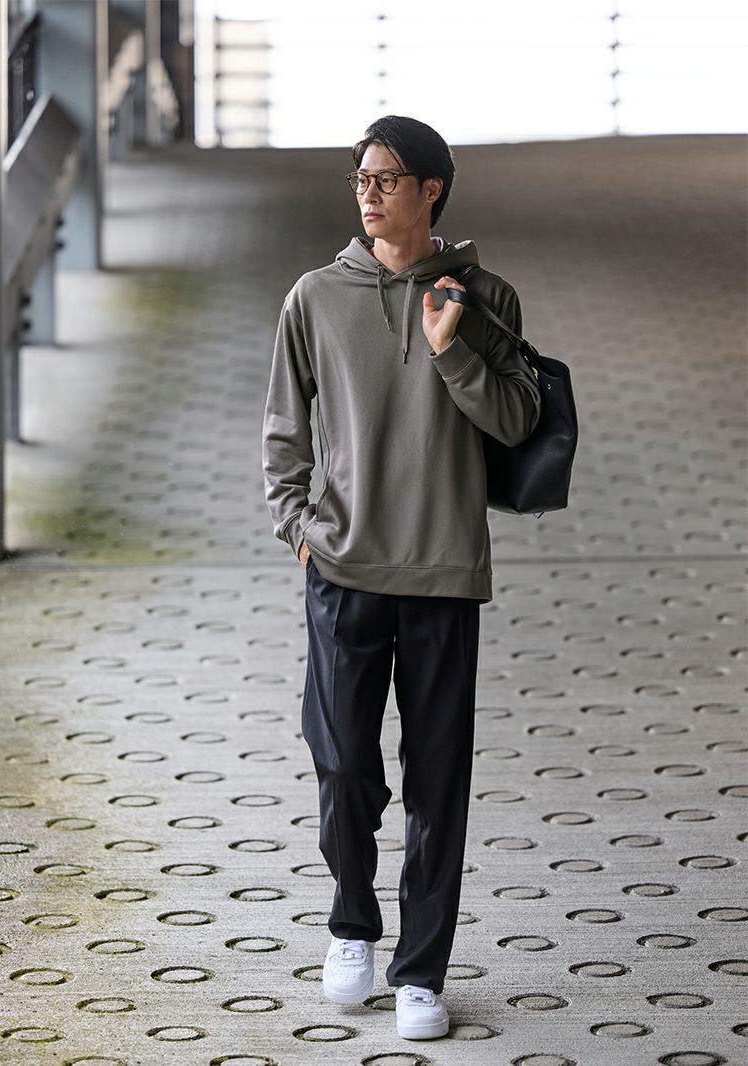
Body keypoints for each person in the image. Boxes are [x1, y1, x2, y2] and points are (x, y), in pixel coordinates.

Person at [261, 115, 541, 1041]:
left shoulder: (482, 295)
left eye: (386, 178)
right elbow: (284, 430)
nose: (369, 193)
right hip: (343, 566)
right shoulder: (315, 296)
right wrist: (298, 527)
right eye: (360, 179)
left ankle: (421, 971)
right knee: (343, 760)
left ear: (431, 189)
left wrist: (453, 346)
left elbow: (516, 420)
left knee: (439, 780)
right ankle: (352, 923)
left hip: (444, 570)